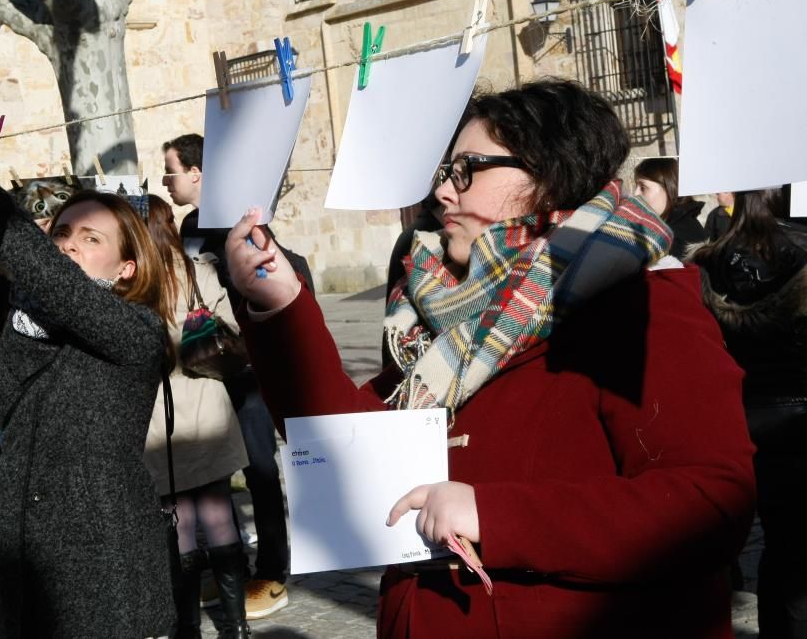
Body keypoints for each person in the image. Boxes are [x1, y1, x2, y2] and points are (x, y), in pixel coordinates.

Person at [224, 79, 756, 637]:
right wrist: (280, 304)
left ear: (546, 177)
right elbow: (342, 440)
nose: (444, 194)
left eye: (467, 169)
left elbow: (709, 503)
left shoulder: (639, 303)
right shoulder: (448, 316)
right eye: (446, 174)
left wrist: (493, 516)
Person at [0, 131, 176, 638]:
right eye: (62, 234)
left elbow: (53, 279)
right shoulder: (24, 318)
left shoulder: (137, 330)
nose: (69, 246)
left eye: (91, 239)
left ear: (127, 268)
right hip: (24, 543)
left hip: (102, 551)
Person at [164, 133, 293, 618]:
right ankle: (229, 568)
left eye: (170, 171)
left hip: (251, 361)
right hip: (208, 366)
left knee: (260, 470)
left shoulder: (242, 216)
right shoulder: (191, 224)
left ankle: (274, 571)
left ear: (196, 172)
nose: (167, 181)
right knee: (220, 472)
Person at [689, 189, 807, 638]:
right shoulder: (802, 250)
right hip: (800, 419)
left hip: (739, 419)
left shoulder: (707, 262)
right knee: (797, 563)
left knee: (771, 545)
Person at [141, 195, 251, 638]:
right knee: (220, 513)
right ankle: (238, 626)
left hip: (161, 417)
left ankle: (187, 628)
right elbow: (234, 333)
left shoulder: (136, 286)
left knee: (180, 523)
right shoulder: (199, 273)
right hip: (209, 406)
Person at [634, 157, 708, 259]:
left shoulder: (677, 239)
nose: (635, 194)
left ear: (669, 188)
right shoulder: (671, 228)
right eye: (636, 186)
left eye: (643, 187)